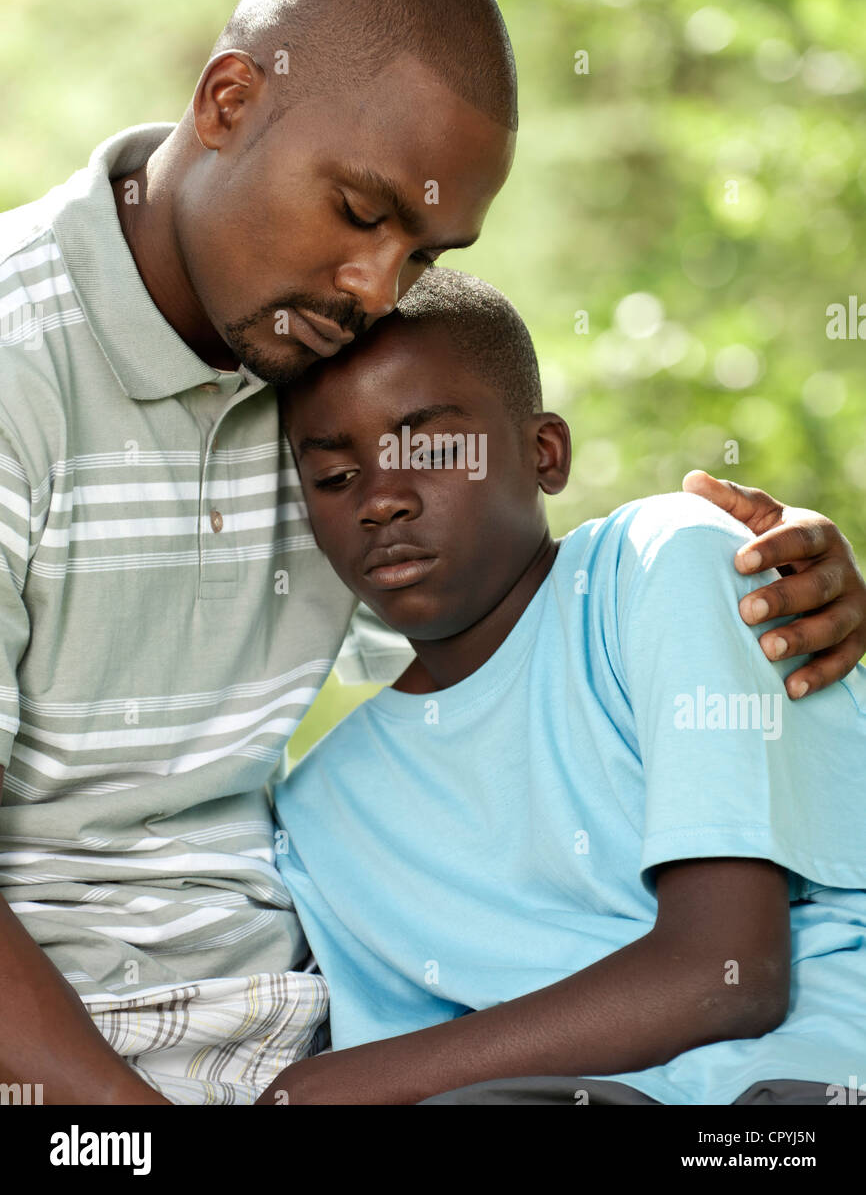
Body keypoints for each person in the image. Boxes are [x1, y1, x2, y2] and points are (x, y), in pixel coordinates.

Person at [0, 0, 863, 1106]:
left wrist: (769, 568)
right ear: (228, 98)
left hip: (304, 1027)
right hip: (73, 1064)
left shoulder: (313, 363)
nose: (372, 289)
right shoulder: (19, 368)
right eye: (359, 213)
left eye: (421, 253)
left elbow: (510, 595)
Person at [263, 266, 866, 1106]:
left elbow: (730, 976)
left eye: (431, 450)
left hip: (795, 1087)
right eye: (334, 478)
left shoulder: (661, 565)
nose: (382, 501)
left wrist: (329, 1089)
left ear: (545, 453)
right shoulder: (324, 807)